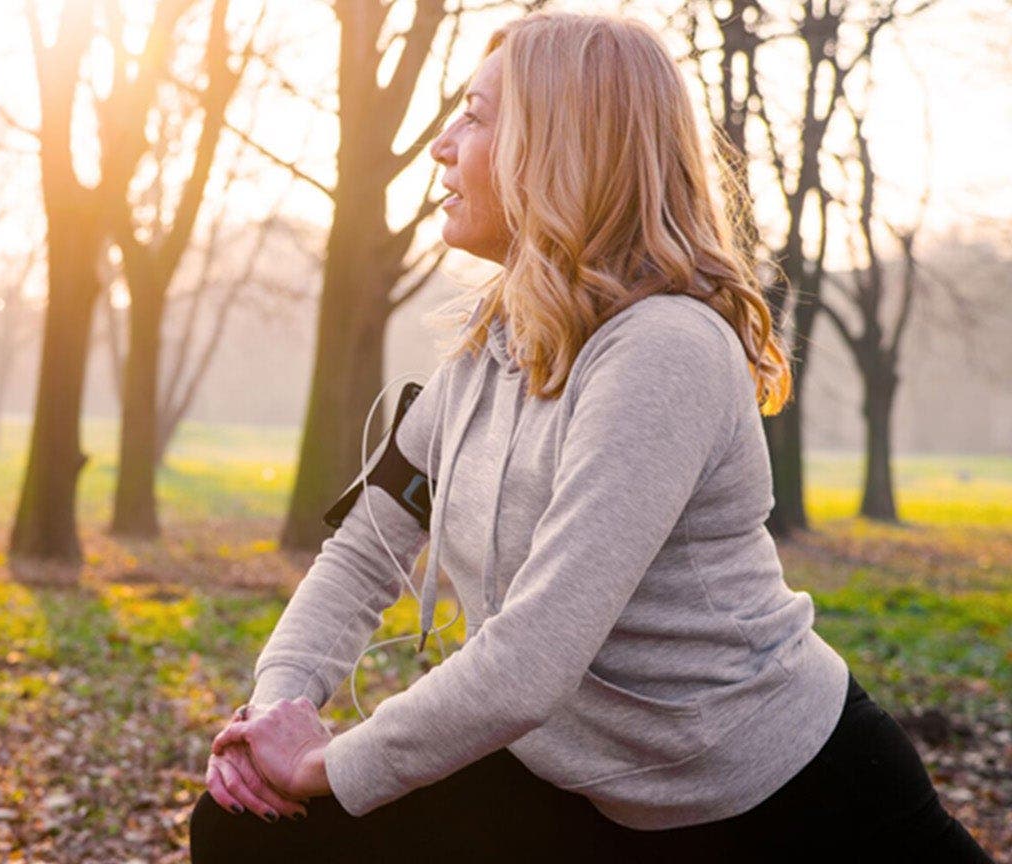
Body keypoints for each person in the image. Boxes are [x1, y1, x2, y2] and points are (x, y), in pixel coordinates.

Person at [187, 11, 994, 863]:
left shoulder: (665, 350)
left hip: (785, 800)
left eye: (472, 113)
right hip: (582, 792)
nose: (441, 146)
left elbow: (529, 661)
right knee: (249, 831)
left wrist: (322, 766)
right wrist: (277, 714)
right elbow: (362, 555)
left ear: (558, 143)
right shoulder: (485, 356)